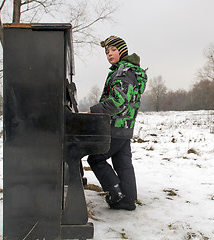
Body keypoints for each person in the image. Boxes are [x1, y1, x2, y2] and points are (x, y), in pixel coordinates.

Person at [87, 36, 147, 211]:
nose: (109, 54)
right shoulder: (130, 70)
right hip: (125, 128)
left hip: (116, 126)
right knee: (122, 163)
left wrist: (94, 111)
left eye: (113, 50)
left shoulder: (123, 71)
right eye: (106, 52)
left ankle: (116, 194)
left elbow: (118, 102)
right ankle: (127, 201)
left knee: (96, 158)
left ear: (122, 51)